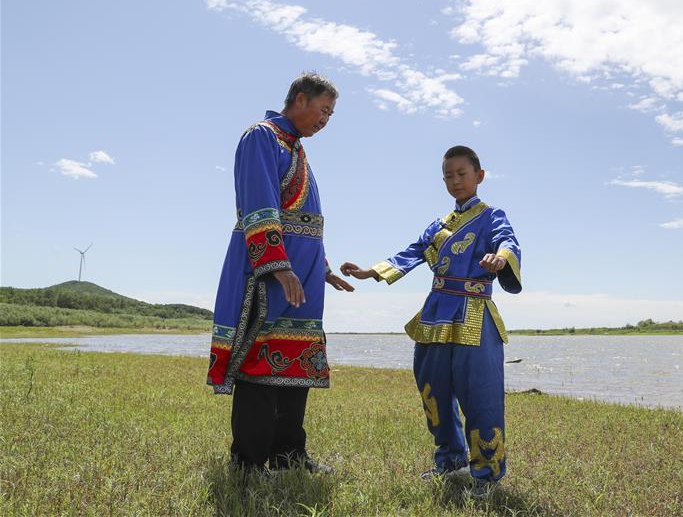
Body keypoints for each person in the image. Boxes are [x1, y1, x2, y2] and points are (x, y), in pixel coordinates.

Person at [340, 145, 522, 498]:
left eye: (462, 174)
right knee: (432, 389)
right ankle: (450, 461)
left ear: (479, 176)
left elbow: (508, 241)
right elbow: (410, 253)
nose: (456, 181)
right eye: (448, 176)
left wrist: (501, 259)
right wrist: (369, 272)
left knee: (481, 394)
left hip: (474, 313)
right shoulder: (438, 226)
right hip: (435, 313)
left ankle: (486, 474)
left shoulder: (491, 216)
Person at [207, 72, 355, 473]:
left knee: (295, 364)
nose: (325, 120)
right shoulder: (262, 137)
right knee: (260, 362)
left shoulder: (296, 149)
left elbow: (300, 219)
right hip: (267, 275)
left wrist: (322, 268)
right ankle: (249, 462)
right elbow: (259, 205)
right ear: (301, 99)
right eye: (323, 110)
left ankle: (289, 455)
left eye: (331, 114)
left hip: (303, 278)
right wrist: (278, 266)